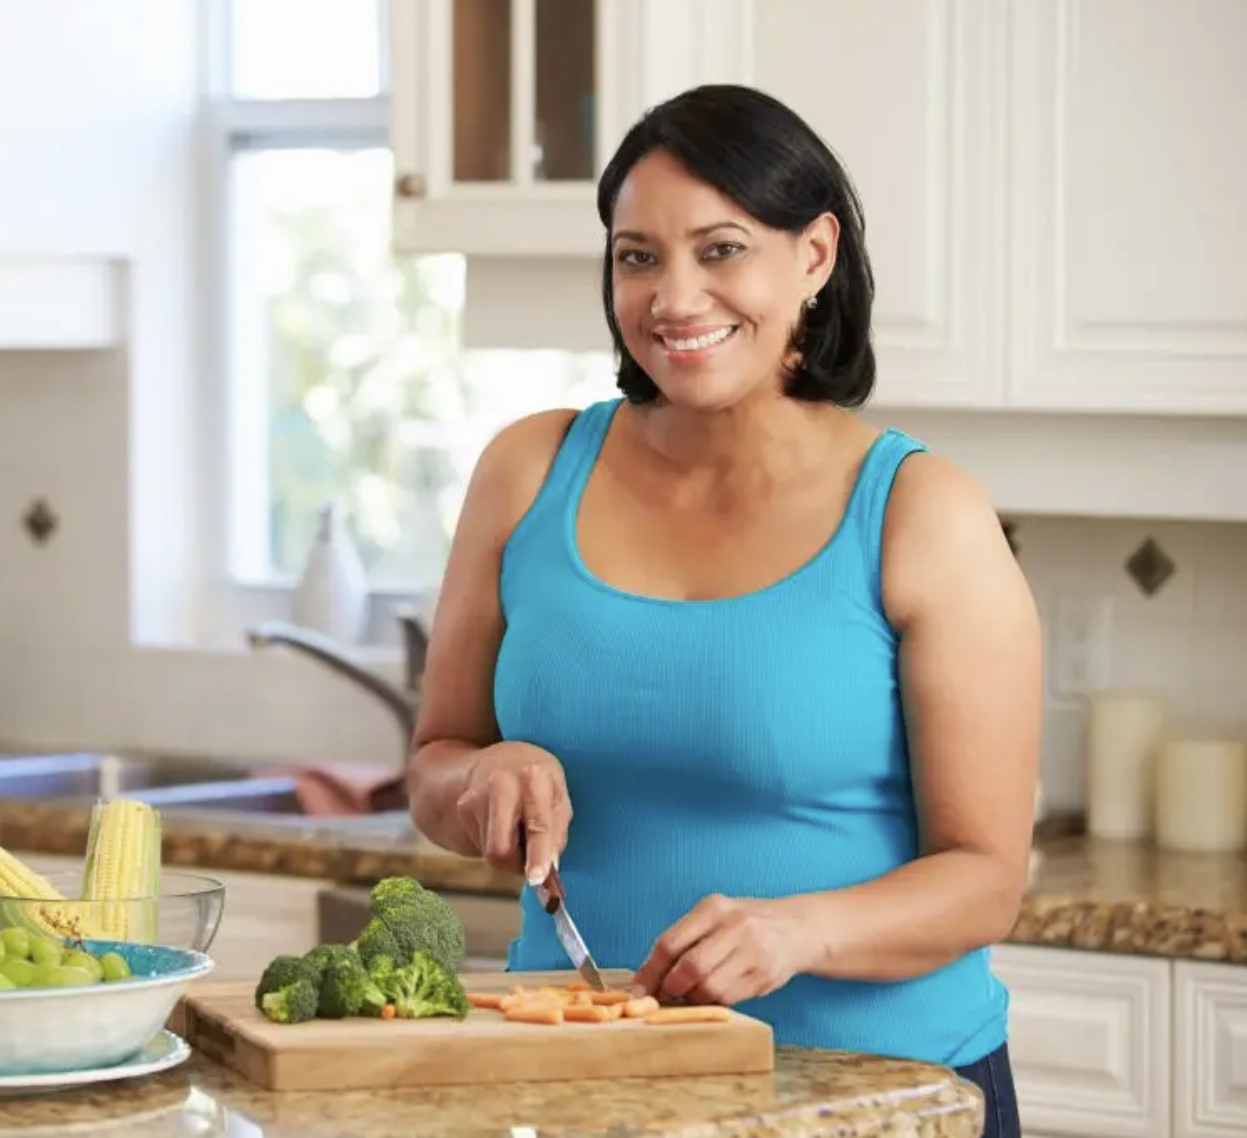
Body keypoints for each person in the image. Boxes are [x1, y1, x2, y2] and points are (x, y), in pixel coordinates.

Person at [404, 84, 1040, 1137]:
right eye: (636, 255)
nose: (673, 298)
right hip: (582, 1081)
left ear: (814, 256)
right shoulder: (527, 470)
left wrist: (800, 931)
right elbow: (433, 759)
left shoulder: (917, 513)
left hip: (873, 1098)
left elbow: (983, 880)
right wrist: (477, 773)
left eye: (719, 249)